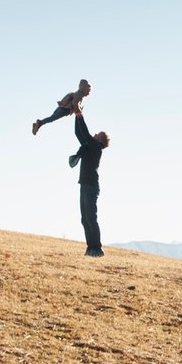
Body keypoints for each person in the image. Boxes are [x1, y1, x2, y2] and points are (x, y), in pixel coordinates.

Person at [71, 110, 110, 257]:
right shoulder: (89, 146)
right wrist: (76, 116)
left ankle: (97, 248)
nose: (94, 134)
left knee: (91, 217)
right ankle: (90, 248)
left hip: (91, 187)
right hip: (85, 185)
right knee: (84, 218)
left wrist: (80, 114)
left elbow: (85, 133)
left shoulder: (96, 147)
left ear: (100, 140)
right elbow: (79, 133)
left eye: (97, 134)